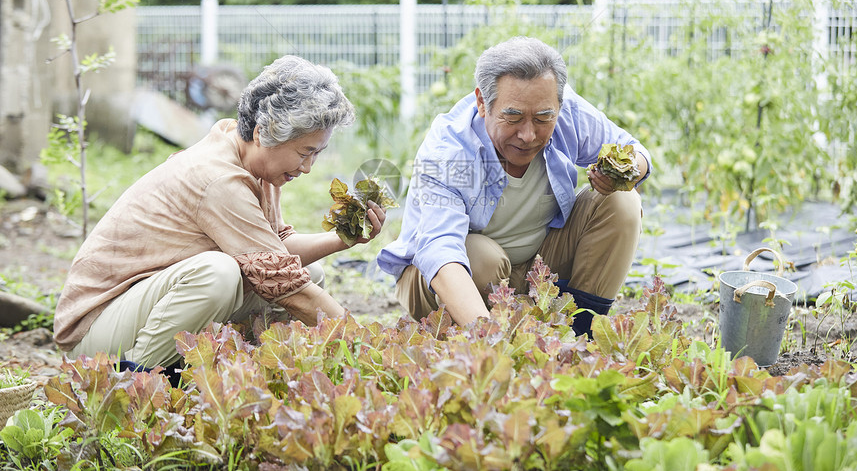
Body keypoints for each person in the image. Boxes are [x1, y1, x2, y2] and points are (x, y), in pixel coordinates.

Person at [53, 55, 387, 369]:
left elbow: (277, 250)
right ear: (263, 134)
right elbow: (284, 282)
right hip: (94, 331)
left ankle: (229, 371)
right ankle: (132, 382)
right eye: (305, 152)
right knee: (220, 275)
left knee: (310, 275)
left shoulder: (252, 160)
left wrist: (344, 238)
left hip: (141, 307)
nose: (309, 167)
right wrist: (370, 348)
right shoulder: (218, 179)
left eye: (317, 154)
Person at [376, 36, 651, 336]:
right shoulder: (449, 151)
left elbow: (635, 151)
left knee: (622, 201)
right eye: (513, 117)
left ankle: (579, 335)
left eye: (543, 118)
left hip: (537, 265)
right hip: (447, 278)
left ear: (558, 104)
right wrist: (493, 344)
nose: (528, 134)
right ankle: (484, 336)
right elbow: (441, 256)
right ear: (482, 103)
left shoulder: (565, 111)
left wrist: (621, 173)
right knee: (481, 257)